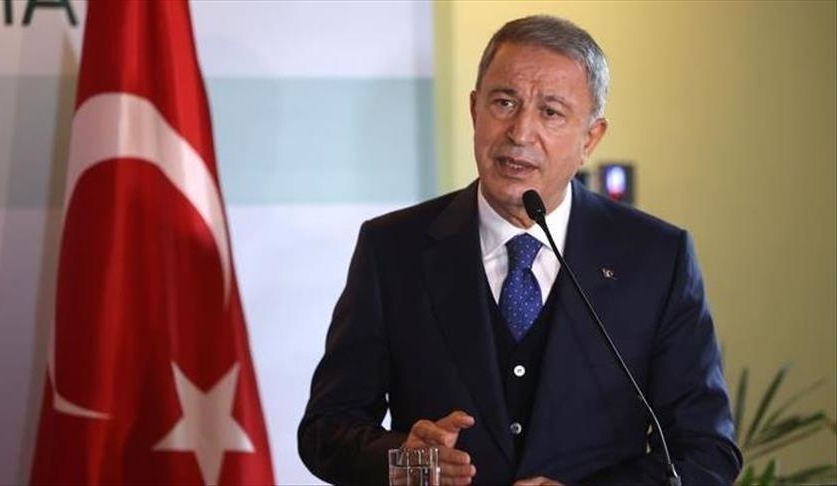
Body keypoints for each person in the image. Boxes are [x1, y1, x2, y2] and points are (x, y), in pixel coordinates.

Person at [298, 15, 742, 486]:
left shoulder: (656, 258)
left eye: (551, 112)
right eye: (504, 102)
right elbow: (327, 431)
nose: (520, 131)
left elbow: (706, 451)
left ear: (590, 138)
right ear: (475, 110)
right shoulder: (392, 249)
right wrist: (406, 463)